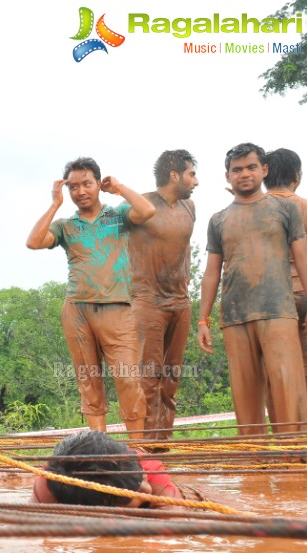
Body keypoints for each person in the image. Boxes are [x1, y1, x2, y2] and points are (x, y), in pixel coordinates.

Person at [26, 158, 156, 438]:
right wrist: (54, 204)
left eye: (87, 184)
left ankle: (138, 450)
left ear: (98, 183)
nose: (81, 191)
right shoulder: (65, 226)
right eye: (73, 186)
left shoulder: (118, 215)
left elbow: (147, 210)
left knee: (128, 378)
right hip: (77, 310)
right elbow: (34, 241)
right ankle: (99, 445)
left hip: (117, 309)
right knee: (88, 380)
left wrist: (119, 188)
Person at [198, 143, 307, 435]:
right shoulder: (218, 219)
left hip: (279, 311)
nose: (244, 174)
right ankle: (255, 460)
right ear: (227, 176)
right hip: (235, 314)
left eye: (250, 167)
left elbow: (302, 257)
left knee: (289, 386)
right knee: (245, 394)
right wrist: (202, 319)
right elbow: (212, 272)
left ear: (264, 170)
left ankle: (295, 455)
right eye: (237, 170)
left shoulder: (285, 209)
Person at [128, 150, 199, 444]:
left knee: (171, 379)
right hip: (147, 302)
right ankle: (141, 449)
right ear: (174, 175)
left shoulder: (190, 207)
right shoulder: (140, 206)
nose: (196, 181)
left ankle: (162, 446)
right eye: (192, 174)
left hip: (180, 303)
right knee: (147, 377)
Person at [263, 148, 307, 421]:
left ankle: (284, 442)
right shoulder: (306, 207)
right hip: (303, 294)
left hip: (266, 301)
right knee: (306, 369)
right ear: (297, 176)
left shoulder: (251, 208)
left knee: (273, 373)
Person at [29, 430, 181, 507]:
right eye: (140, 490)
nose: (146, 489)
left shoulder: (152, 473)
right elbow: (29, 529)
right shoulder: (53, 482)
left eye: (142, 481)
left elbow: (176, 530)